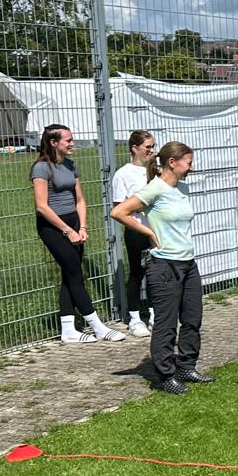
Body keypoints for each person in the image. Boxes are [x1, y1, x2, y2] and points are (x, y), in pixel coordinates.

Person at [109, 141, 211, 392]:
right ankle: (165, 375)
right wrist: (148, 232)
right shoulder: (155, 188)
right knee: (166, 323)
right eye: (188, 162)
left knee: (192, 317)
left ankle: (187, 366)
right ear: (172, 163)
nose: (192, 167)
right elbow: (119, 212)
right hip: (164, 264)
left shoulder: (182, 188)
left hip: (188, 263)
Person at [31, 124, 125, 344]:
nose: (72, 143)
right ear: (54, 142)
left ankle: (68, 329)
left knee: (69, 274)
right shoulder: (41, 168)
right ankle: (98, 326)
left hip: (74, 223)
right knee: (75, 273)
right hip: (52, 227)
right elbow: (42, 207)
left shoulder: (70, 165)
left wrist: (81, 227)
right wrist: (67, 230)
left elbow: (80, 200)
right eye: (68, 140)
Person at [110, 129, 156, 338]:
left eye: (153, 146)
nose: (151, 151)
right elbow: (119, 208)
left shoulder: (155, 171)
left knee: (156, 272)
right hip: (137, 228)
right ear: (135, 148)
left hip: (156, 228)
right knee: (138, 272)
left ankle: (155, 314)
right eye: (147, 147)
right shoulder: (123, 174)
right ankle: (135, 318)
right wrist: (140, 205)